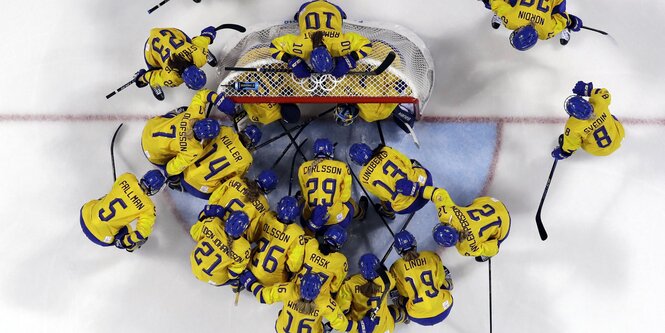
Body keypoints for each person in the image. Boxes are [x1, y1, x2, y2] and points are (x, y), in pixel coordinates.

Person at [141, 89, 235, 183]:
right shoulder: (193, 150)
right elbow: (171, 168)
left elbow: (201, 95)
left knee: (184, 110)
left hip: (149, 127)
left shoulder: (194, 113)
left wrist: (217, 99)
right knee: (180, 171)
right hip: (153, 155)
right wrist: (168, 175)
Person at [239, 272, 378, 333]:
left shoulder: (288, 289)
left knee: (284, 312)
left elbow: (263, 297)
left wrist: (251, 283)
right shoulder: (325, 303)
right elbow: (342, 325)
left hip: (281, 329)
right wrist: (360, 327)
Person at [271, 1, 373, 78]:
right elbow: (367, 45)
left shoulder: (301, 46)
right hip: (324, 8)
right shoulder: (339, 44)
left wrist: (292, 61)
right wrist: (349, 59)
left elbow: (274, 47)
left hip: (316, 8)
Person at [79, 170, 165, 251]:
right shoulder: (148, 207)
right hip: (100, 237)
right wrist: (124, 242)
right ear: (155, 189)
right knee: (133, 233)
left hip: (85, 214)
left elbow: (115, 187)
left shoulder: (127, 177)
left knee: (105, 198)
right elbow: (142, 232)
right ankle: (130, 246)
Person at [298, 138, 367, 233]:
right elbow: (345, 197)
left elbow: (305, 195)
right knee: (350, 202)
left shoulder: (303, 167)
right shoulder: (342, 167)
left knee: (301, 197)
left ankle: (312, 234)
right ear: (331, 152)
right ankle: (361, 213)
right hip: (338, 222)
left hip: (308, 221)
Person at [348, 143, 433, 219]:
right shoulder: (385, 150)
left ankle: (388, 213)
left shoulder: (363, 177)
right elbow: (407, 162)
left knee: (385, 199)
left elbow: (382, 195)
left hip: (406, 207)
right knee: (412, 163)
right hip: (426, 185)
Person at [179, 124, 262, 199]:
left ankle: (175, 179)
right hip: (201, 191)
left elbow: (205, 142)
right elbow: (232, 180)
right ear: (251, 144)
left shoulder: (226, 130)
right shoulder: (247, 160)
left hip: (184, 171)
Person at [135, 26, 218, 100]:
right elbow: (153, 76)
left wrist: (208, 36)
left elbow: (201, 40)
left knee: (197, 47)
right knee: (154, 72)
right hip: (151, 46)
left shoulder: (199, 57)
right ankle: (153, 84)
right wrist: (142, 78)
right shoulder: (171, 78)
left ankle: (205, 51)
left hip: (166, 32)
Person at [389, 230, 453, 326]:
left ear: (397, 249)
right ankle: (450, 285)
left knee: (397, 292)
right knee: (443, 277)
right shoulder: (431, 255)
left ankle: (403, 314)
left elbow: (404, 293)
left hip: (417, 316)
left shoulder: (395, 267)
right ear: (414, 242)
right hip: (445, 308)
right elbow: (440, 280)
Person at [552, 81, 625, 160]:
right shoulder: (600, 102)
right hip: (618, 136)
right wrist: (589, 91)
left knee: (576, 138)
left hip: (598, 151)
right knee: (610, 117)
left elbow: (571, 147)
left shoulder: (572, 127)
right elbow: (605, 94)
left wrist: (563, 152)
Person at [247, 196, 306, 286]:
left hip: (251, 269)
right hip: (273, 283)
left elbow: (252, 236)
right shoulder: (297, 234)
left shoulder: (267, 216)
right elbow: (294, 267)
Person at [481, 0, 584, 51]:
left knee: (560, 16)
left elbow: (561, 19)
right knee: (498, 5)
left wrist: (571, 22)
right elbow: (496, 3)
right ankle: (500, 15)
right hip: (513, 13)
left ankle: (566, 28)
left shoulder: (545, 32)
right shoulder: (512, 21)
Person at [432, 196, 511, 262]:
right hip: (493, 202)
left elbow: (495, 247)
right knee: (467, 209)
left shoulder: (465, 249)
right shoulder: (449, 214)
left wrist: (488, 250)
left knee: (491, 246)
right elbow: (439, 194)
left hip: (505, 225)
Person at [206, 170, 278, 241]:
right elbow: (251, 235)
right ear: (269, 190)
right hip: (231, 239)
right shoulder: (265, 206)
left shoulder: (236, 180)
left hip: (211, 223)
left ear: (257, 177)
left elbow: (214, 198)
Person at [336, 253, 397, 333]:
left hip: (360, 328)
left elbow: (342, 308)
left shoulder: (350, 283)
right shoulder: (388, 279)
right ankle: (404, 317)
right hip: (385, 328)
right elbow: (386, 279)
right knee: (393, 310)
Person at [189, 211, 251, 287]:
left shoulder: (214, 223)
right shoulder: (244, 248)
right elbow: (232, 275)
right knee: (242, 274)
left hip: (193, 264)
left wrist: (204, 216)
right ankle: (236, 285)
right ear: (244, 230)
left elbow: (193, 233)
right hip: (214, 280)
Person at [294, 225, 349, 296]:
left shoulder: (310, 243)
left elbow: (294, 265)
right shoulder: (341, 261)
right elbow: (334, 288)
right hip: (318, 299)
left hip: (295, 289)